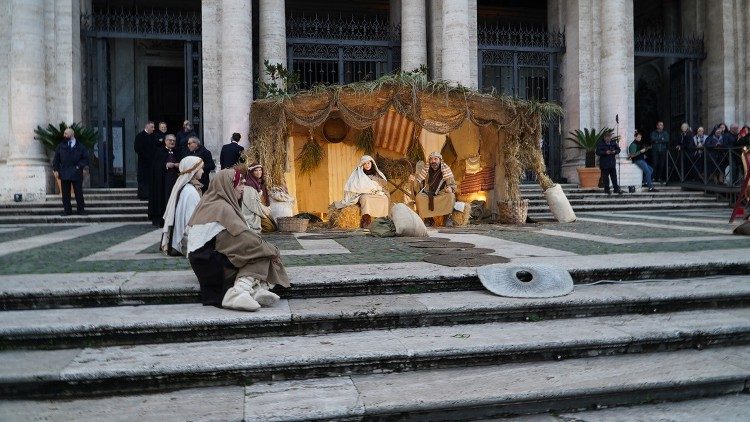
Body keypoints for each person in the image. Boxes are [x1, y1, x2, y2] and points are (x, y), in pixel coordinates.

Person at [186, 168, 290, 312]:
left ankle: (254, 290)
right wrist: (272, 250)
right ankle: (239, 291)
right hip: (214, 268)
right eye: (240, 184)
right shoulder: (222, 208)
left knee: (259, 250)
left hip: (204, 262)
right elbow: (244, 241)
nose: (243, 188)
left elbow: (234, 242)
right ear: (228, 185)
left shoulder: (208, 203)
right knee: (262, 255)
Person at [161, 156, 204, 256]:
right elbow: (192, 221)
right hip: (188, 241)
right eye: (200, 168)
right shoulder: (190, 192)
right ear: (193, 170)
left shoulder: (188, 188)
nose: (202, 171)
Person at [334, 155, 390, 228]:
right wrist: (367, 188)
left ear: (372, 164)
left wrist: (376, 185)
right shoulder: (358, 174)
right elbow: (355, 186)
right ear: (362, 165)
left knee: (384, 198)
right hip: (362, 194)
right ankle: (366, 220)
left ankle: (382, 220)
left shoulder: (376, 174)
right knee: (365, 198)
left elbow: (382, 184)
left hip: (375, 193)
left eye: (368, 163)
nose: (367, 165)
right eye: (364, 164)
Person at [411, 152, 457, 226]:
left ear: (440, 160)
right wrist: (414, 181)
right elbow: (419, 183)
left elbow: (452, 184)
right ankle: (428, 219)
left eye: (435, 159)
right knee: (419, 197)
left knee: (451, 196)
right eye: (431, 159)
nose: (433, 161)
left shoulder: (445, 169)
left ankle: (447, 218)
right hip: (428, 192)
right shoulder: (426, 170)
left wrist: (450, 188)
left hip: (441, 193)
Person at [52, 128, 89, 216]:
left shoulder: (80, 146)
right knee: (65, 193)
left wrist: (79, 166)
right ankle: (67, 210)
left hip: (76, 172)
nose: (64, 135)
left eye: (65, 133)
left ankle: (81, 210)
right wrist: (56, 169)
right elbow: (56, 158)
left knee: (78, 192)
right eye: (64, 133)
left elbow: (85, 158)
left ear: (71, 134)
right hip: (64, 172)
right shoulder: (61, 145)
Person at [149, 134, 182, 227]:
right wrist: (166, 165)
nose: (172, 142)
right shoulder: (159, 152)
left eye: (174, 141)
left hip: (176, 180)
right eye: (170, 140)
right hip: (162, 182)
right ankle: (163, 220)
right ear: (165, 141)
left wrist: (178, 165)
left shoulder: (178, 152)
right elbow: (155, 166)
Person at [242, 163, 276, 233]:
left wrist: (266, 208)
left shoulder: (260, 182)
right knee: (269, 227)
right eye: (256, 171)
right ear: (251, 172)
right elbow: (252, 204)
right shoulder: (249, 184)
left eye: (260, 170)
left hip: (261, 208)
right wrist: (264, 210)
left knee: (274, 225)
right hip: (253, 212)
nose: (258, 172)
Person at [134, 121, 157, 200]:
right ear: (147, 127)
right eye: (152, 127)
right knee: (143, 179)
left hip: (152, 163)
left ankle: (150, 195)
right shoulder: (139, 136)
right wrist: (147, 156)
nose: (153, 129)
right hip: (143, 162)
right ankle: (143, 195)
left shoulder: (153, 136)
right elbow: (137, 148)